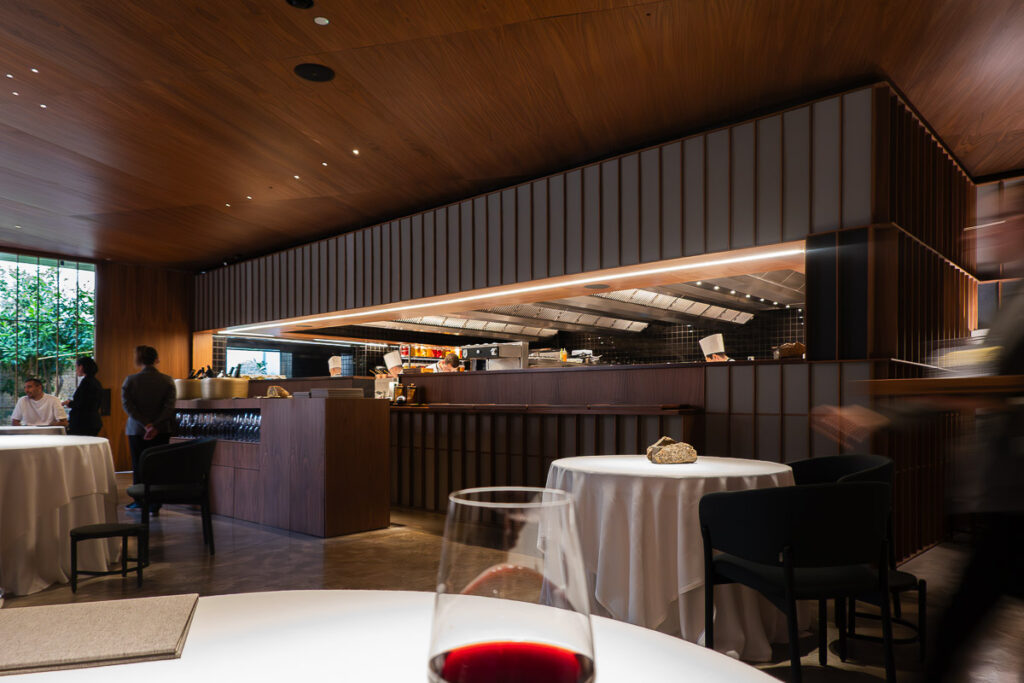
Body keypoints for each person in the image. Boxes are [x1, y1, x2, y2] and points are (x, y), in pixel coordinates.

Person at [121, 345, 176, 511]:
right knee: (158, 465)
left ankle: (139, 500)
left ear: (138, 359)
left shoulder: (130, 380)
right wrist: (155, 425)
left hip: (137, 430)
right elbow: (169, 406)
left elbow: (128, 406)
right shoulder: (167, 380)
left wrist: (146, 425)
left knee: (139, 465)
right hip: (161, 429)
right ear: (156, 359)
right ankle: (155, 503)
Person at [64, 356, 103, 436]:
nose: (76, 370)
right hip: (93, 420)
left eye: (76, 367)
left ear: (81, 367)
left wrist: (70, 403)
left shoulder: (86, 382)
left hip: (84, 422)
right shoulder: (96, 382)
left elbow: (83, 403)